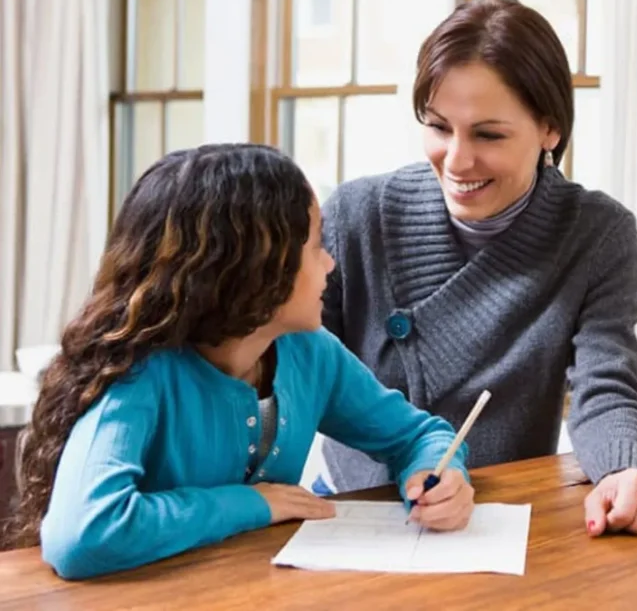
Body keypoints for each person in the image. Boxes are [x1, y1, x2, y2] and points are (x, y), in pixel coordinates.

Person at [6, 144, 475, 580]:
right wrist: (255, 504)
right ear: (253, 268)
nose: (330, 265)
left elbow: (418, 435)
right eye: (315, 247)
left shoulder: (310, 352)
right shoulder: (139, 372)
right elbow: (83, 534)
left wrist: (437, 474)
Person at [317, 0, 637, 537]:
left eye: (488, 134)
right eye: (439, 127)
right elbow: (290, 374)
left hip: (499, 524)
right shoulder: (354, 216)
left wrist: (623, 471)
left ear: (549, 129)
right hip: (355, 514)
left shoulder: (596, 234)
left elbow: (604, 385)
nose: (457, 160)